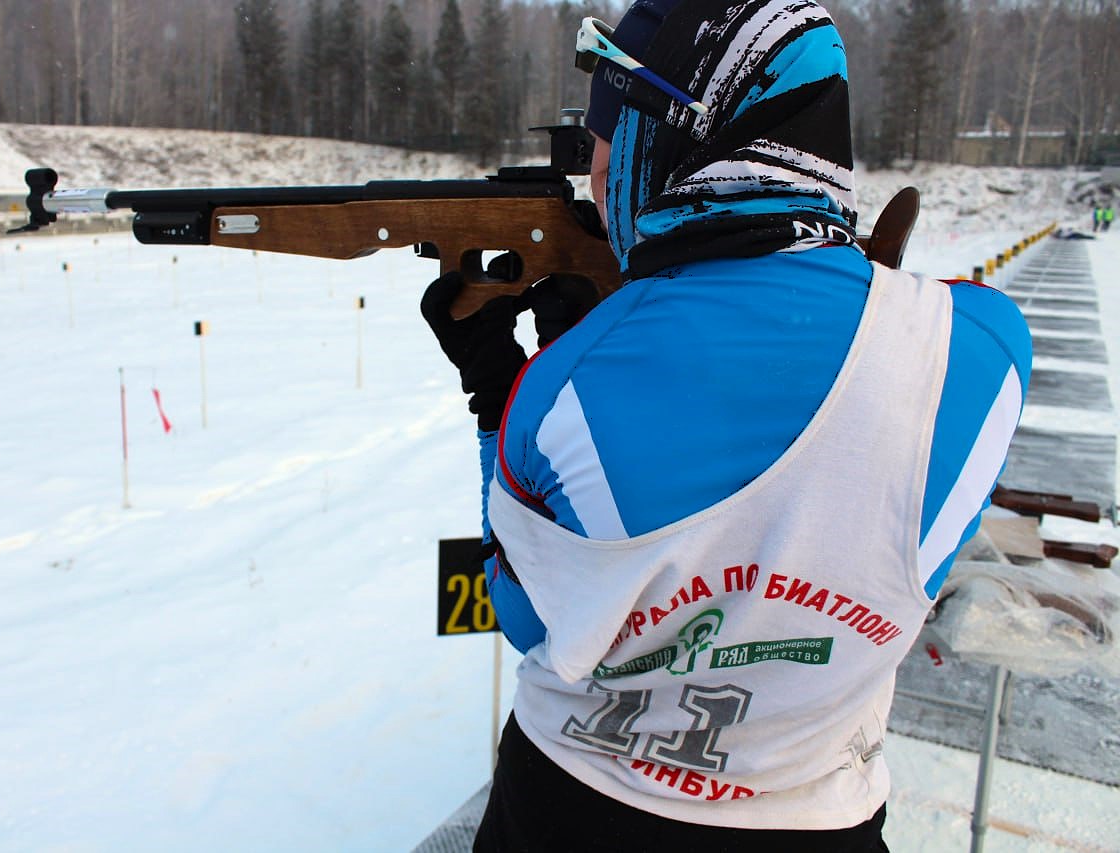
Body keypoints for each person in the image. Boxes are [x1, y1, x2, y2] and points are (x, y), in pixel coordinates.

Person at [421, 1, 1032, 849]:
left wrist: (499, 391)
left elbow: (529, 617)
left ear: (666, 135)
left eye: (603, 137)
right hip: (822, 818)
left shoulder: (563, 389)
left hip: (573, 812)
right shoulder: (983, 350)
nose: (594, 179)